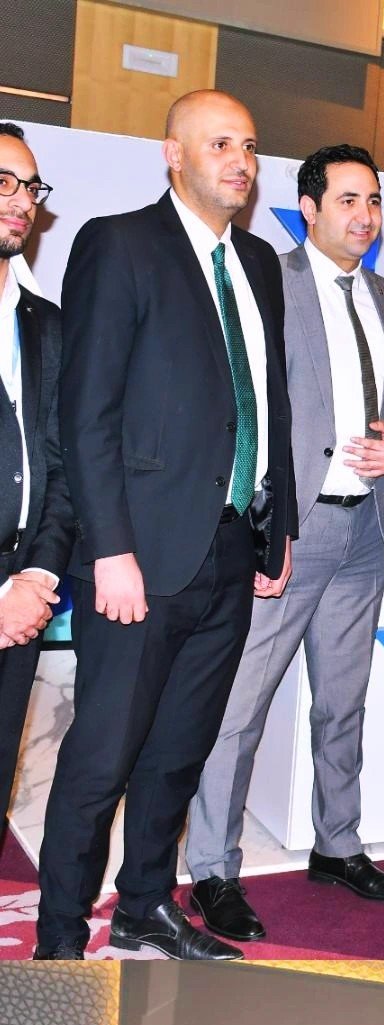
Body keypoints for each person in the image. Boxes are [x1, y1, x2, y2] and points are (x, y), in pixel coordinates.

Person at [35, 90, 295, 962]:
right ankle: (61, 937)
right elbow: (87, 415)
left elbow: (268, 402)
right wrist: (109, 550)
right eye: (219, 144)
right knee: (101, 759)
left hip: (230, 547)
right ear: (172, 154)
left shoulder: (258, 263)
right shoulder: (119, 244)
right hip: (138, 557)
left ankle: (145, 903)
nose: (240, 161)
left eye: (249, 146)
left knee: (180, 750)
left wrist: (277, 526)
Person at [186, 143, 384, 942]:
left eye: (375, 200)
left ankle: (338, 844)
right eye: (349, 200)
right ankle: (212, 868)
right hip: (291, 528)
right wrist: (265, 525)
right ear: (310, 209)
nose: (365, 216)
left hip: (366, 531)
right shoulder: (269, 282)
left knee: (343, 702)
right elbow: (242, 401)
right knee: (239, 708)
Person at [0, 122, 74, 838]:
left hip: (26, 593)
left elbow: (62, 463)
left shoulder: (46, 323)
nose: (23, 201)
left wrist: (35, 576)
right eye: (3, 182)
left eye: (31, 187)